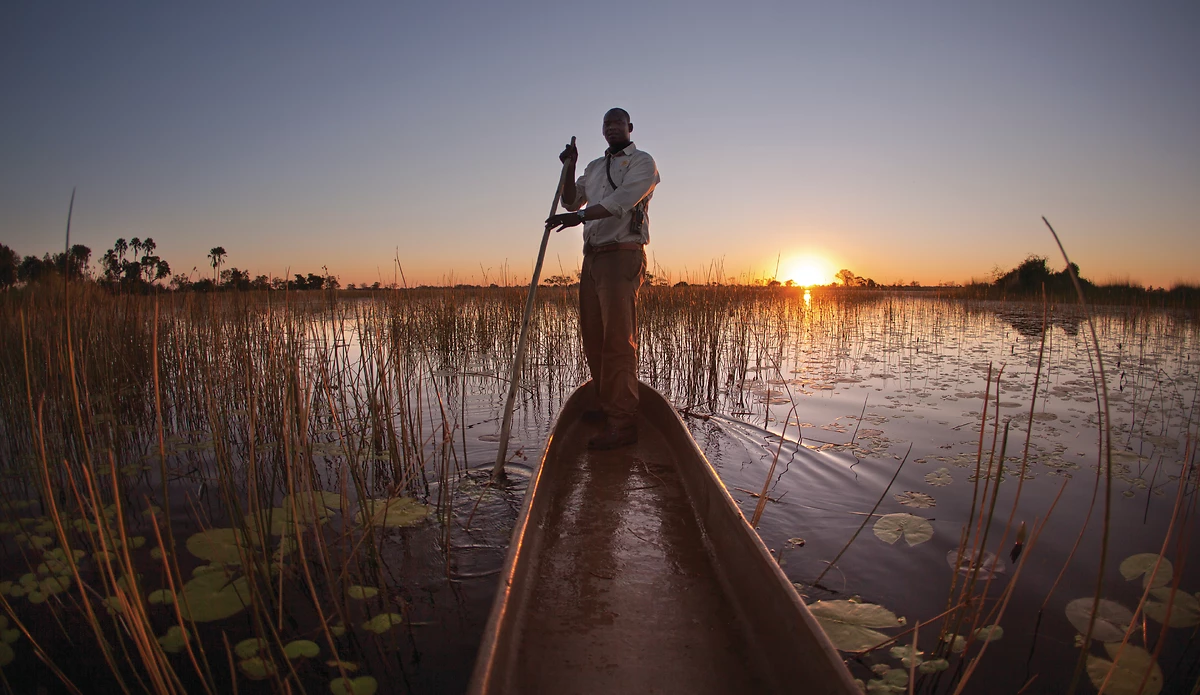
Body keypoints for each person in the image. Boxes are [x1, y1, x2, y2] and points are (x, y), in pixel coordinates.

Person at [546, 108, 660, 450]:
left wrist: (579, 216)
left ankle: (623, 423)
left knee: (617, 340)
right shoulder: (594, 167)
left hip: (622, 255)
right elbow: (570, 198)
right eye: (606, 124)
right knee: (594, 336)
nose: (611, 128)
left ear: (629, 127)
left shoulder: (642, 163)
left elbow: (619, 202)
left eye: (617, 123)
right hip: (592, 258)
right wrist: (569, 166)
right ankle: (606, 404)